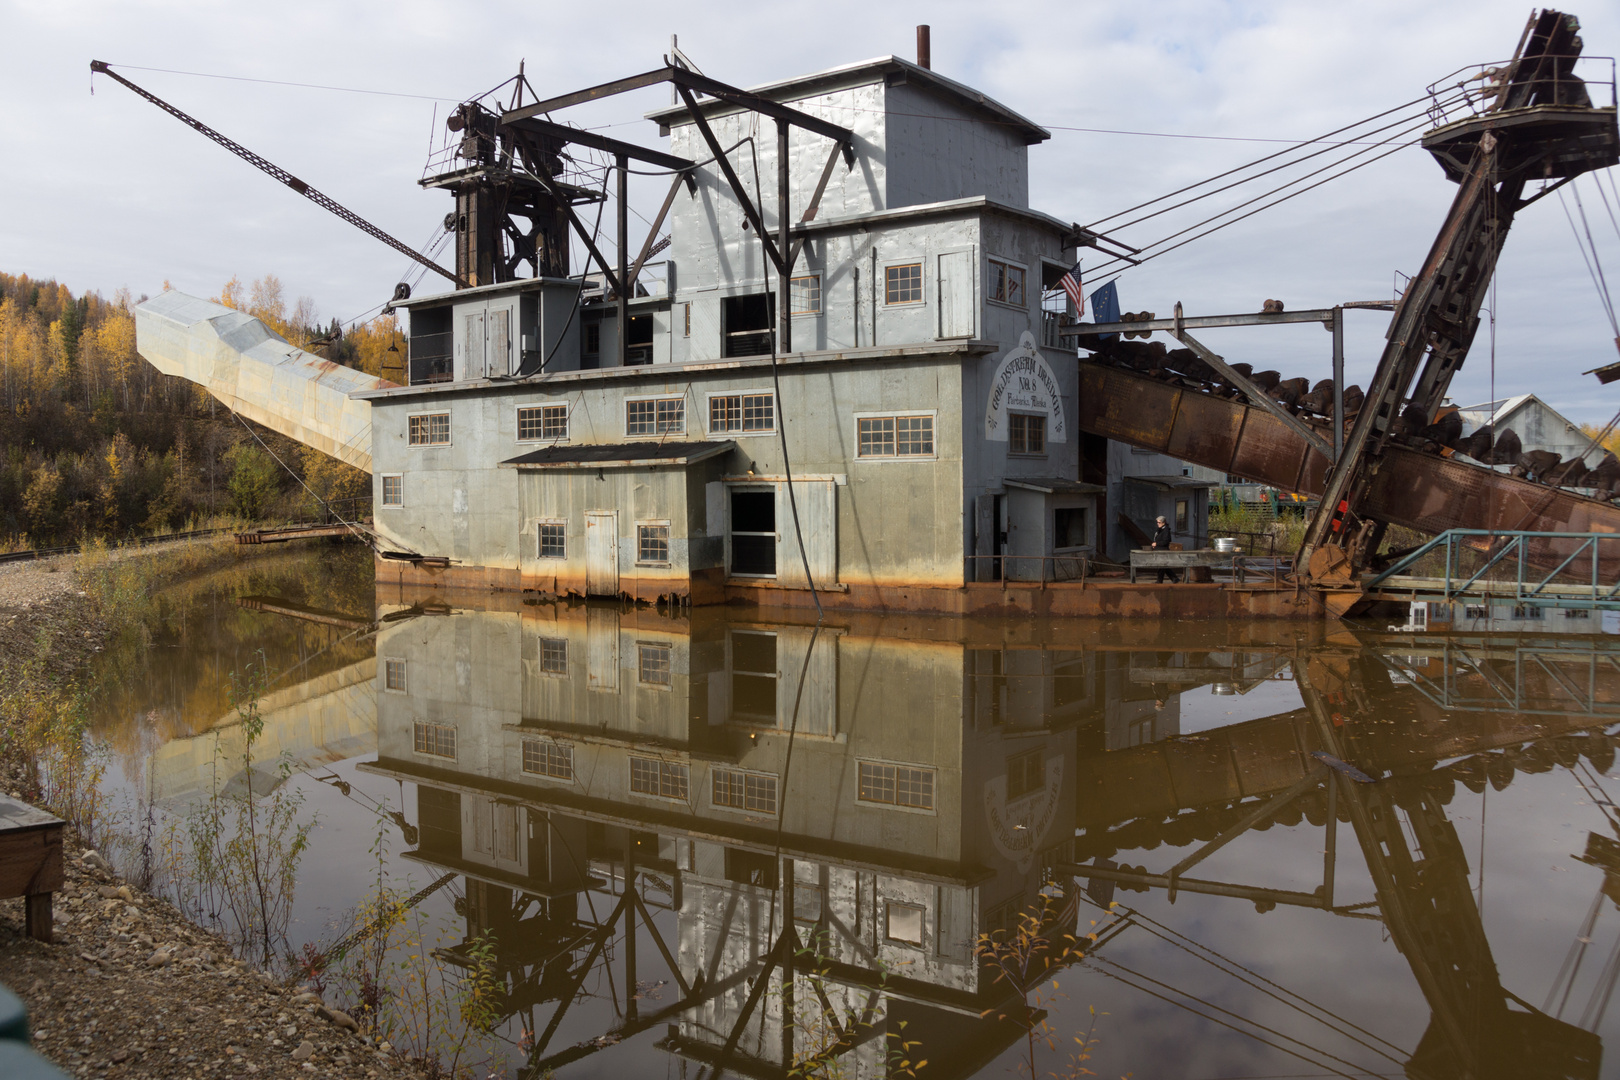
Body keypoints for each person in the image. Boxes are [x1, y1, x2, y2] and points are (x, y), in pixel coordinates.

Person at [1149, 515, 1178, 583]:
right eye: (1157, 522)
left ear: (1163, 522)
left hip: (1163, 550)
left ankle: (1161, 580)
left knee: (1162, 566)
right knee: (1162, 566)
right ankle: (1174, 578)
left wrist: (1156, 544)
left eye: (1159, 522)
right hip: (1159, 549)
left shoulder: (1166, 530)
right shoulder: (1160, 530)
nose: (1158, 523)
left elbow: (1166, 541)